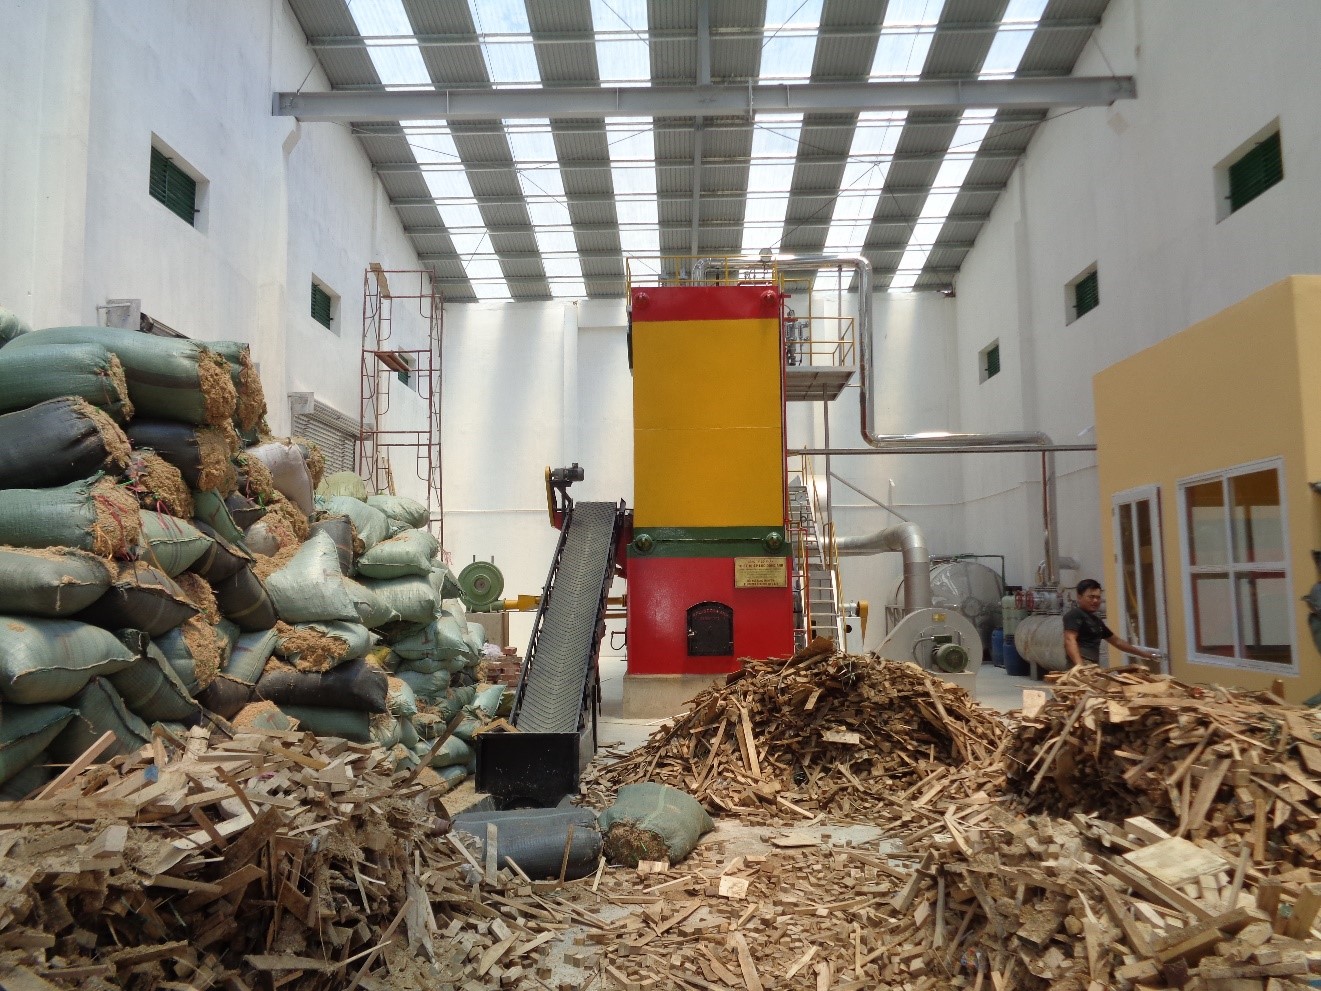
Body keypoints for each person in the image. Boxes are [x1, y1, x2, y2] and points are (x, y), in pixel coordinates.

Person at [1062, 578, 1161, 668]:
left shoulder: (1096, 621)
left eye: (1098, 597)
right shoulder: (1075, 615)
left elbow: (1117, 642)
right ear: (1079, 597)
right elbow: (1070, 640)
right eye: (1091, 597)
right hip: (1080, 665)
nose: (1095, 601)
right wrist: (1080, 667)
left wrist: (1145, 654)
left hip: (1092, 665)